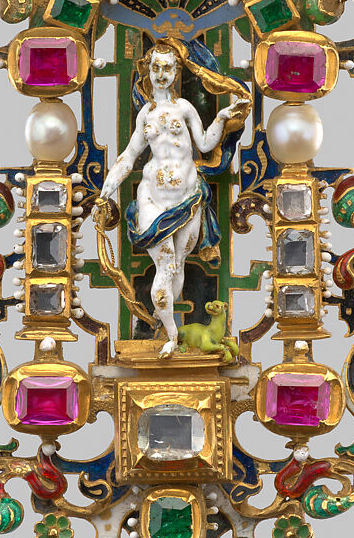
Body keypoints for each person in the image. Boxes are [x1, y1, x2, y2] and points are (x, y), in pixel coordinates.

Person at [97, 38, 249, 356]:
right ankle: (171, 333)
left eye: (167, 68)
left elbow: (205, 145)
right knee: (165, 266)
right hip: (153, 198)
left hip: (187, 198)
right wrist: (105, 192)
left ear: (177, 72)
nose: (161, 74)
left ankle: (163, 330)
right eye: (156, 68)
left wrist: (222, 118)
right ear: (148, 70)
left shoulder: (185, 108)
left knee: (177, 265)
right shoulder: (145, 114)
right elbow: (129, 155)